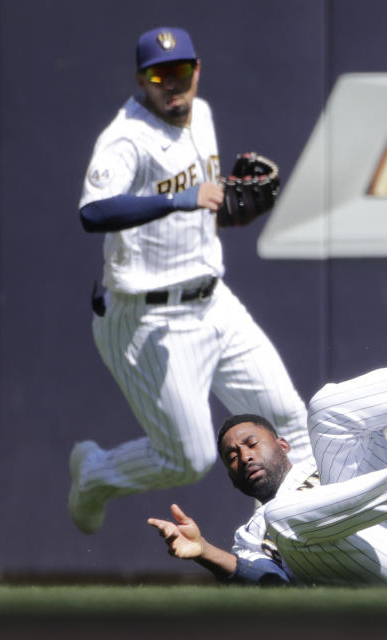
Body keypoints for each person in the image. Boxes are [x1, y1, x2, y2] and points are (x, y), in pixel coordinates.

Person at [68, 26, 311, 535]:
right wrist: (180, 200)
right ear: (142, 80)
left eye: (181, 72)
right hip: (145, 316)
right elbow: (93, 212)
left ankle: (295, 547)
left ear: (197, 70)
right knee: (191, 458)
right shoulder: (127, 137)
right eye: (160, 76)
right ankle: (95, 474)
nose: (172, 85)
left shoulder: (200, 114)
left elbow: (200, 205)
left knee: (289, 419)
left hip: (213, 300)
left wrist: (221, 213)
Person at [147, 308, 387, 588]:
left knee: (325, 409)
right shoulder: (251, 533)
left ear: (282, 444)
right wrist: (203, 551)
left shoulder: (328, 458)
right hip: (383, 572)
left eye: (250, 443)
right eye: (232, 458)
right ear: (233, 479)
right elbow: (265, 581)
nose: (243, 456)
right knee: (278, 516)